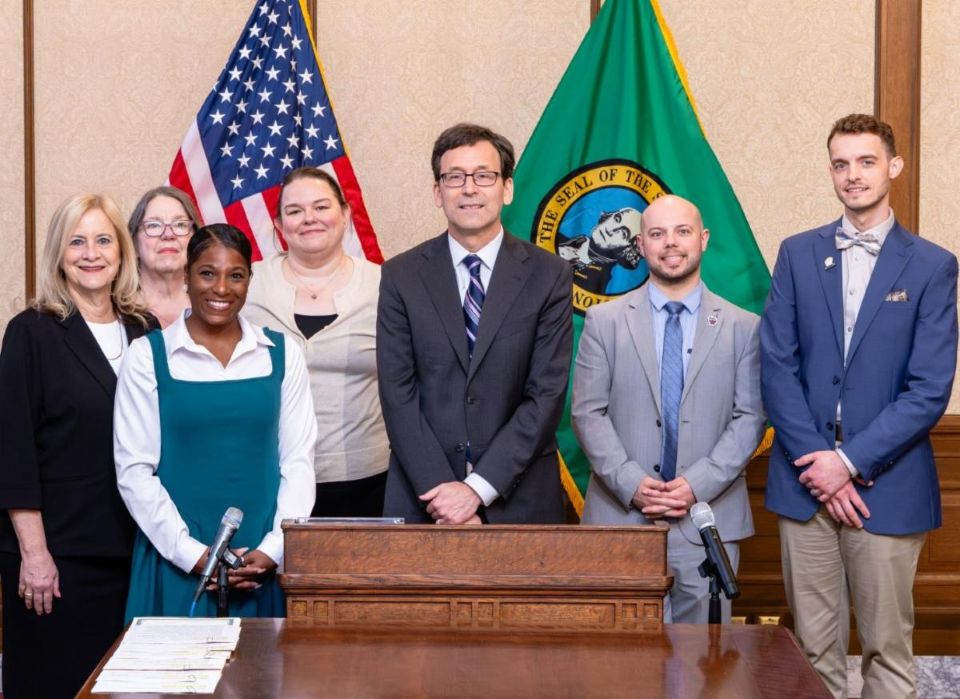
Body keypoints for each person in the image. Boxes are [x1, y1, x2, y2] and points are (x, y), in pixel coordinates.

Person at [761, 114, 958, 699]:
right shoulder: (797, 254)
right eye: (841, 163)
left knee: (887, 651)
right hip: (804, 482)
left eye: (867, 161)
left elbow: (928, 390)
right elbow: (776, 367)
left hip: (889, 486)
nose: (853, 175)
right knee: (812, 653)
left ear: (893, 167)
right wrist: (821, 461)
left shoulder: (931, 265)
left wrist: (847, 464)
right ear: (831, 172)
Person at [572, 194, 765, 623]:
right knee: (621, 667)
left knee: (705, 669)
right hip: (622, 518)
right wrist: (632, 483)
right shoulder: (604, 323)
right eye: (657, 234)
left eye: (682, 232)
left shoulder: (743, 328)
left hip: (706, 520)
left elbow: (749, 418)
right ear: (641, 245)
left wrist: (695, 484)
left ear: (703, 239)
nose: (670, 243)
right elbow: (587, 413)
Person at [114, 224, 317, 619]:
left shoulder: (282, 353)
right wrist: (194, 555)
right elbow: (134, 471)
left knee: (264, 679)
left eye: (235, 275)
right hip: (175, 558)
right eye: (207, 273)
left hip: (261, 560)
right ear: (187, 276)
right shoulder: (146, 357)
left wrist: (273, 549)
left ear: (248, 281)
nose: (221, 288)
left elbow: (298, 461)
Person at [377, 123, 573, 524]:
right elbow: (398, 393)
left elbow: (545, 396)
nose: (469, 188)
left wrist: (476, 489)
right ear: (438, 192)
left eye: (484, 176)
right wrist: (443, 493)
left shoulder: (549, 275)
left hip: (518, 497)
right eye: (455, 177)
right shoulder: (401, 275)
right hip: (423, 496)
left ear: (507, 188)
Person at [0, 193, 153, 698]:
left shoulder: (145, 329)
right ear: (59, 254)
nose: (92, 253)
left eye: (104, 240)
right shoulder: (31, 332)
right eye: (77, 241)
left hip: (138, 553)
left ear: (122, 252)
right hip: (60, 560)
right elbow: (13, 449)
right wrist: (35, 554)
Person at [244, 168, 389, 517]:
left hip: (365, 478)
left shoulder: (385, 284)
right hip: (267, 474)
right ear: (279, 225)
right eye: (294, 211)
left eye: (321, 207)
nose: (309, 219)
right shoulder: (246, 284)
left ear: (345, 214)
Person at [127, 186, 201, 327]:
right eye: (154, 225)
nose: (168, 234)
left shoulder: (212, 310)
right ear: (134, 244)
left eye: (180, 224)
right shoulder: (112, 313)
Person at [558, 207, 643, 294]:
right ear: (608, 216)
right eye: (617, 219)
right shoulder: (555, 239)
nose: (611, 230)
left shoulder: (607, 288)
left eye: (623, 233)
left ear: (629, 250)